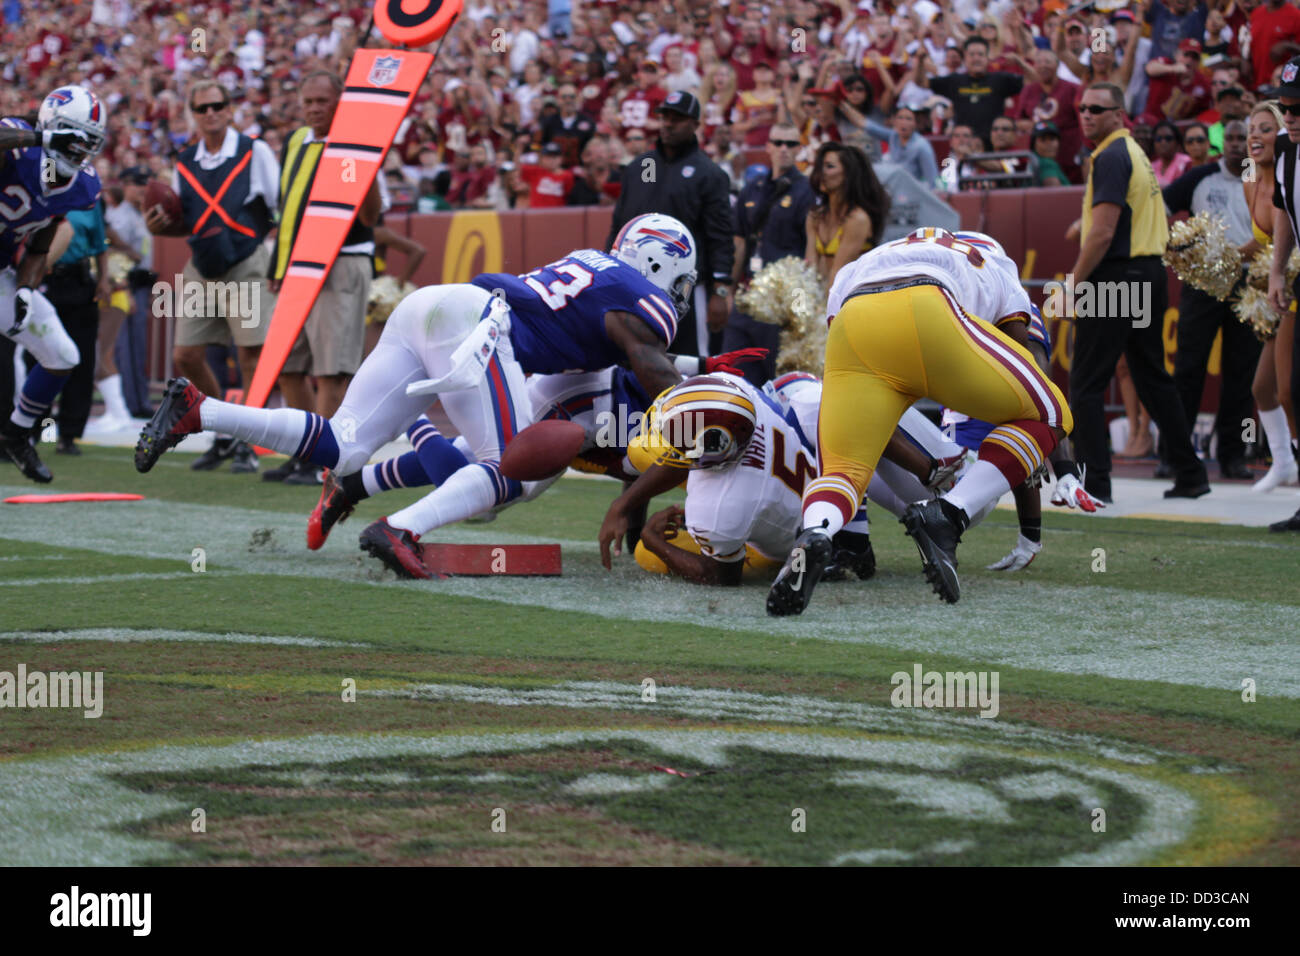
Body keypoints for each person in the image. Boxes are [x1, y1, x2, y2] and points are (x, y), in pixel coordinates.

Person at [136, 215, 698, 579]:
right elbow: (649, 365)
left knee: (347, 445)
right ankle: (401, 527)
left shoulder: (596, 268)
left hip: (431, 307)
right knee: (510, 470)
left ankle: (199, 410)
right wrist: (696, 421)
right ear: (661, 262)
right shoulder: (646, 298)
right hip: (480, 327)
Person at [765, 228, 1072, 614]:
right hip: (930, 309)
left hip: (854, 322)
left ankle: (816, 532)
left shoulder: (867, 259)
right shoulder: (990, 265)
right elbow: (1027, 372)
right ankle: (949, 514)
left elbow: (840, 338)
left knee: (842, 469)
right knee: (1050, 411)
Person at [1070, 82, 1209, 503]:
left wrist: (1073, 283)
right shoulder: (1134, 153)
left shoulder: (1111, 156)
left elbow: (1104, 232)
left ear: (1119, 114)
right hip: (1148, 273)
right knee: (1152, 378)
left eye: (1097, 108)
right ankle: (1190, 472)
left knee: (1086, 384)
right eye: (1082, 108)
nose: (1086, 114)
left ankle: (1096, 484)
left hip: (1116, 277)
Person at [147, 79, 278, 476]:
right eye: (202, 107)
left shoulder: (255, 151)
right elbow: (183, 221)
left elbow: (278, 206)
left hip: (246, 260)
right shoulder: (184, 161)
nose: (210, 113)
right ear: (192, 112)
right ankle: (225, 431)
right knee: (185, 354)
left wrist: (278, 261)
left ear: (230, 108)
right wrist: (158, 225)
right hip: (202, 264)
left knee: (252, 355)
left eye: (217, 105)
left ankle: (248, 442)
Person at [266, 70, 384, 485]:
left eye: (324, 101)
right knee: (289, 364)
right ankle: (304, 453)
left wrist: (363, 162)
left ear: (341, 103)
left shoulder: (357, 141)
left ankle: (324, 462)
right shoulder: (297, 141)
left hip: (341, 261)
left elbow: (371, 217)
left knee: (332, 370)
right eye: (309, 101)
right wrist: (277, 267)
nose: (315, 108)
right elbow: (287, 208)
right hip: (298, 265)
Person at [0, 86, 106, 484]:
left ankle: (16, 432)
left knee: (63, 354)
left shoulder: (81, 187)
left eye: (87, 141)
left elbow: (43, 236)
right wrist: (42, 138)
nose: (78, 148)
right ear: (49, 125)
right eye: (70, 136)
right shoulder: (17, 143)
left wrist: (26, 287)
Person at [1163, 119, 1261, 482]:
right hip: (1204, 282)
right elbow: (1162, 205)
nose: (1237, 144)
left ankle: (1233, 456)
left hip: (1248, 283)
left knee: (1242, 373)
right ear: (1223, 144)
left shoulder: (1261, 178)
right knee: (1188, 369)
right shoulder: (1201, 176)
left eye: (1243, 138)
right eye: (1231, 138)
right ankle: (1174, 455)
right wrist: (1174, 244)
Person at [606, 91, 733, 358]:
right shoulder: (640, 167)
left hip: (685, 290)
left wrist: (720, 290)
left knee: (689, 362)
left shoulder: (709, 173)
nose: (668, 124)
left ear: (695, 124)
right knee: (632, 361)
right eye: (664, 117)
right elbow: (620, 226)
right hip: (635, 286)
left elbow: (720, 237)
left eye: (677, 118)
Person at [724, 124, 816, 385]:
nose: (783, 149)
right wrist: (727, 291)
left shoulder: (807, 191)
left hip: (784, 298)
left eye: (790, 144)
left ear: (799, 149)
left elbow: (810, 248)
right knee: (736, 372)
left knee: (778, 378)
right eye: (777, 143)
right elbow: (739, 242)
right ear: (768, 147)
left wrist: (802, 302)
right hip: (749, 294)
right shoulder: (752, 188)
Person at [1242, 102, 1298, 492]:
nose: (1254, 137)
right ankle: (1284, 462)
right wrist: (1215, 256)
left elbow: (1287, 239)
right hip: (1279, 288)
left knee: (1288, 389)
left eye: (1264, 129)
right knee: (1263, 387)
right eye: (1251, 130)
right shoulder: (1251, 180)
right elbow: (1263, 244)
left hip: (1292, 286)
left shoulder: (1288, 172)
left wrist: (1275, 273)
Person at [37, 198, 111, 455]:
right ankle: (42, 429)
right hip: (45, 282)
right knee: (41, 359)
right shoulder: (41, 194)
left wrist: (104, 280)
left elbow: (100, 245)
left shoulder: (88, 201)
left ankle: (69, 434)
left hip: (80, 283)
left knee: (80, 360)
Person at [1264, 56, 1300, 530]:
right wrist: (1276, 270)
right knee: (1289, 386)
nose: (1290, 117)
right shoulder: (1285, 150)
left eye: (1299, 109)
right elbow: (1282, 212)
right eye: (1285, 107)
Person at [104, 167, 154, 422]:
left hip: (140, 283)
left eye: (146, 184)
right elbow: (116, 254)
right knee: (128, 347)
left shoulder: (138, 213)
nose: (144, 189)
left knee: (136, 346)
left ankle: (139, 400)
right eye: (138, 184)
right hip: (127, 286)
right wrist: (124, 289)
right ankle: (132, 403)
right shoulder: (122, 216)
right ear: (125, 185)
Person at [805, 143, 890, 287]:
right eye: (821, 166)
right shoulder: (815, 217)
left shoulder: (857, 219)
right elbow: (810, 268)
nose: (822, 173)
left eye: (829, 166)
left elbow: (839, 274)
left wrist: (824, 308)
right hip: (820, 297)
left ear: (848, 174)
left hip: (850, 298)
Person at [921, 36, 1024, 147]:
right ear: (964, 58)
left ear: (987, 58)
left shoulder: (1000, 79)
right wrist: (919, 60)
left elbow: (1036, 81)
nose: (976, 59)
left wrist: (1020, 63)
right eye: (971, 55)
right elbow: (923, 83)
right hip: (964, 145)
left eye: (980, 54)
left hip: (993, 146)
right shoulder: (955, 80)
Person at [883, 106, 939, 187]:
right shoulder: (893, 137)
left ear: (915, 123)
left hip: (914, 194)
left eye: (908, 119)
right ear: (894, 121)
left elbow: (932, 181)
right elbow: (869, 127)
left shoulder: (922, 146)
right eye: (900, 118)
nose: (904, 122)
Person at [1151, 121, 1193, 185]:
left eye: (1168, 138)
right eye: (1158, 139)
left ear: (1177, 143)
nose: (1163, 142)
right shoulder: (1151, 166)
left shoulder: (1187, 163)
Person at [1031, 122, 1068, 186]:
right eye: (1043, 140)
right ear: (1034, 144)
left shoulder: (1035, 161)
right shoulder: (1046, 163)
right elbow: (1056, 193)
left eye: (1052, 139)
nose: (1048, 144)